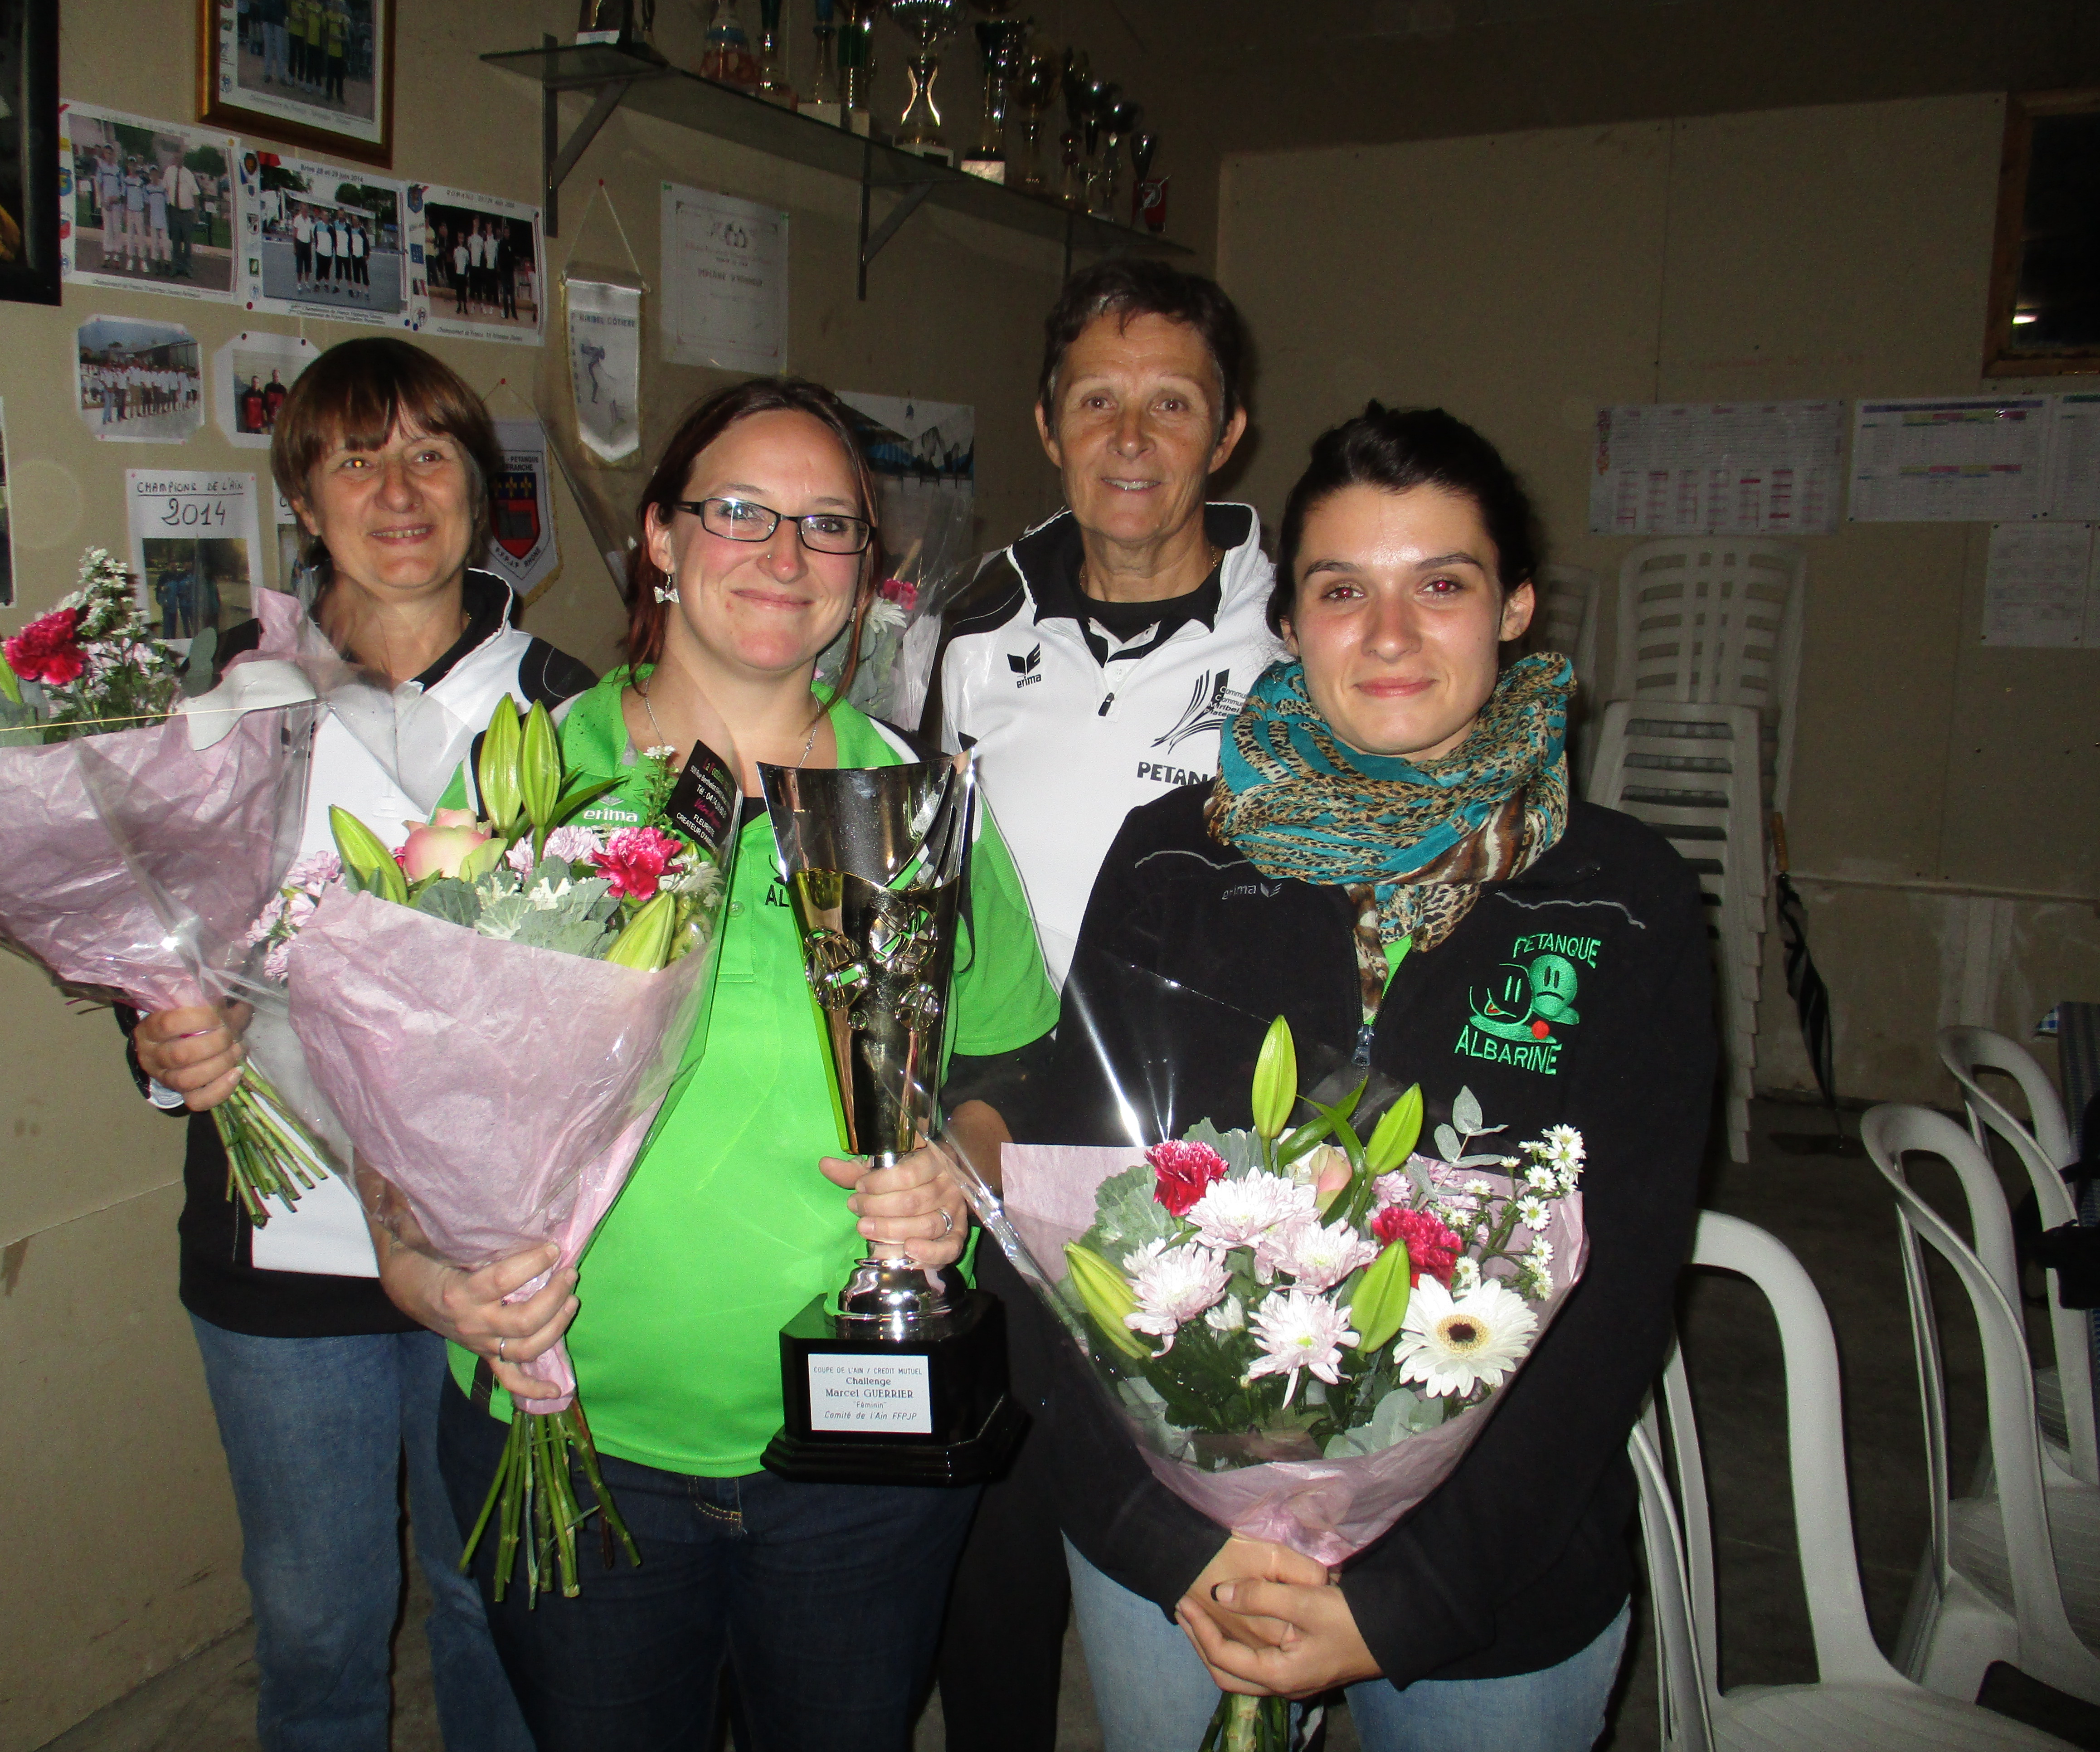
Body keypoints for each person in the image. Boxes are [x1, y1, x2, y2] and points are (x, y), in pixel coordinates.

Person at [985, 402, 1717, 1752]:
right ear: (1290, 623)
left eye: (1440, 584)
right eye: (1342, 591)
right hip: (1182, 1565)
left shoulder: (1625, 900)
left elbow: (1616, 1297)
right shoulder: (1172, 865)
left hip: (1492, 1583)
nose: (1389, 636)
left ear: (1514, 610)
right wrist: (1163, 1537)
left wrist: (1404, 1599)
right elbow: (1057, 1227)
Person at [409, 376, 1059, 1752]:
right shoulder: (527, 786)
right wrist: (422, 1273)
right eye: (741, 512)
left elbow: (1011, 1055)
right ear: (659, 538)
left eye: (828, 526)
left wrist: (964, 1161)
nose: (784, 556)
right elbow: (400, 1091)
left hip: (861, 1459)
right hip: (571, 1427)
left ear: (867, 576)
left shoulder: (920, 801)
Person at [126, 337, 595, 1752]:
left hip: (497, 1246)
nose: (399, 491)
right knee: (319, 1625)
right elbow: (141, 938)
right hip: (282, 1238)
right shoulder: (223, 705)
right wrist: (161, 1038)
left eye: (431, 455)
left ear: (481, 493)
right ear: (306, 500)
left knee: (487, 1605)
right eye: (355, 459)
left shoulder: (570, 705)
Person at [920, 257, 1284, 1752]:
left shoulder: (1301, 648)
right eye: (1097, 403)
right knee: (994, 1557)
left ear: (1229, 433)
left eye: (1171, 405)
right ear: (1048, 422)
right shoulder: (966, 637)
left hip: (1209, 1186)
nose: (1131, 441)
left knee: (1205, 1558)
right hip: (1002, 1156)